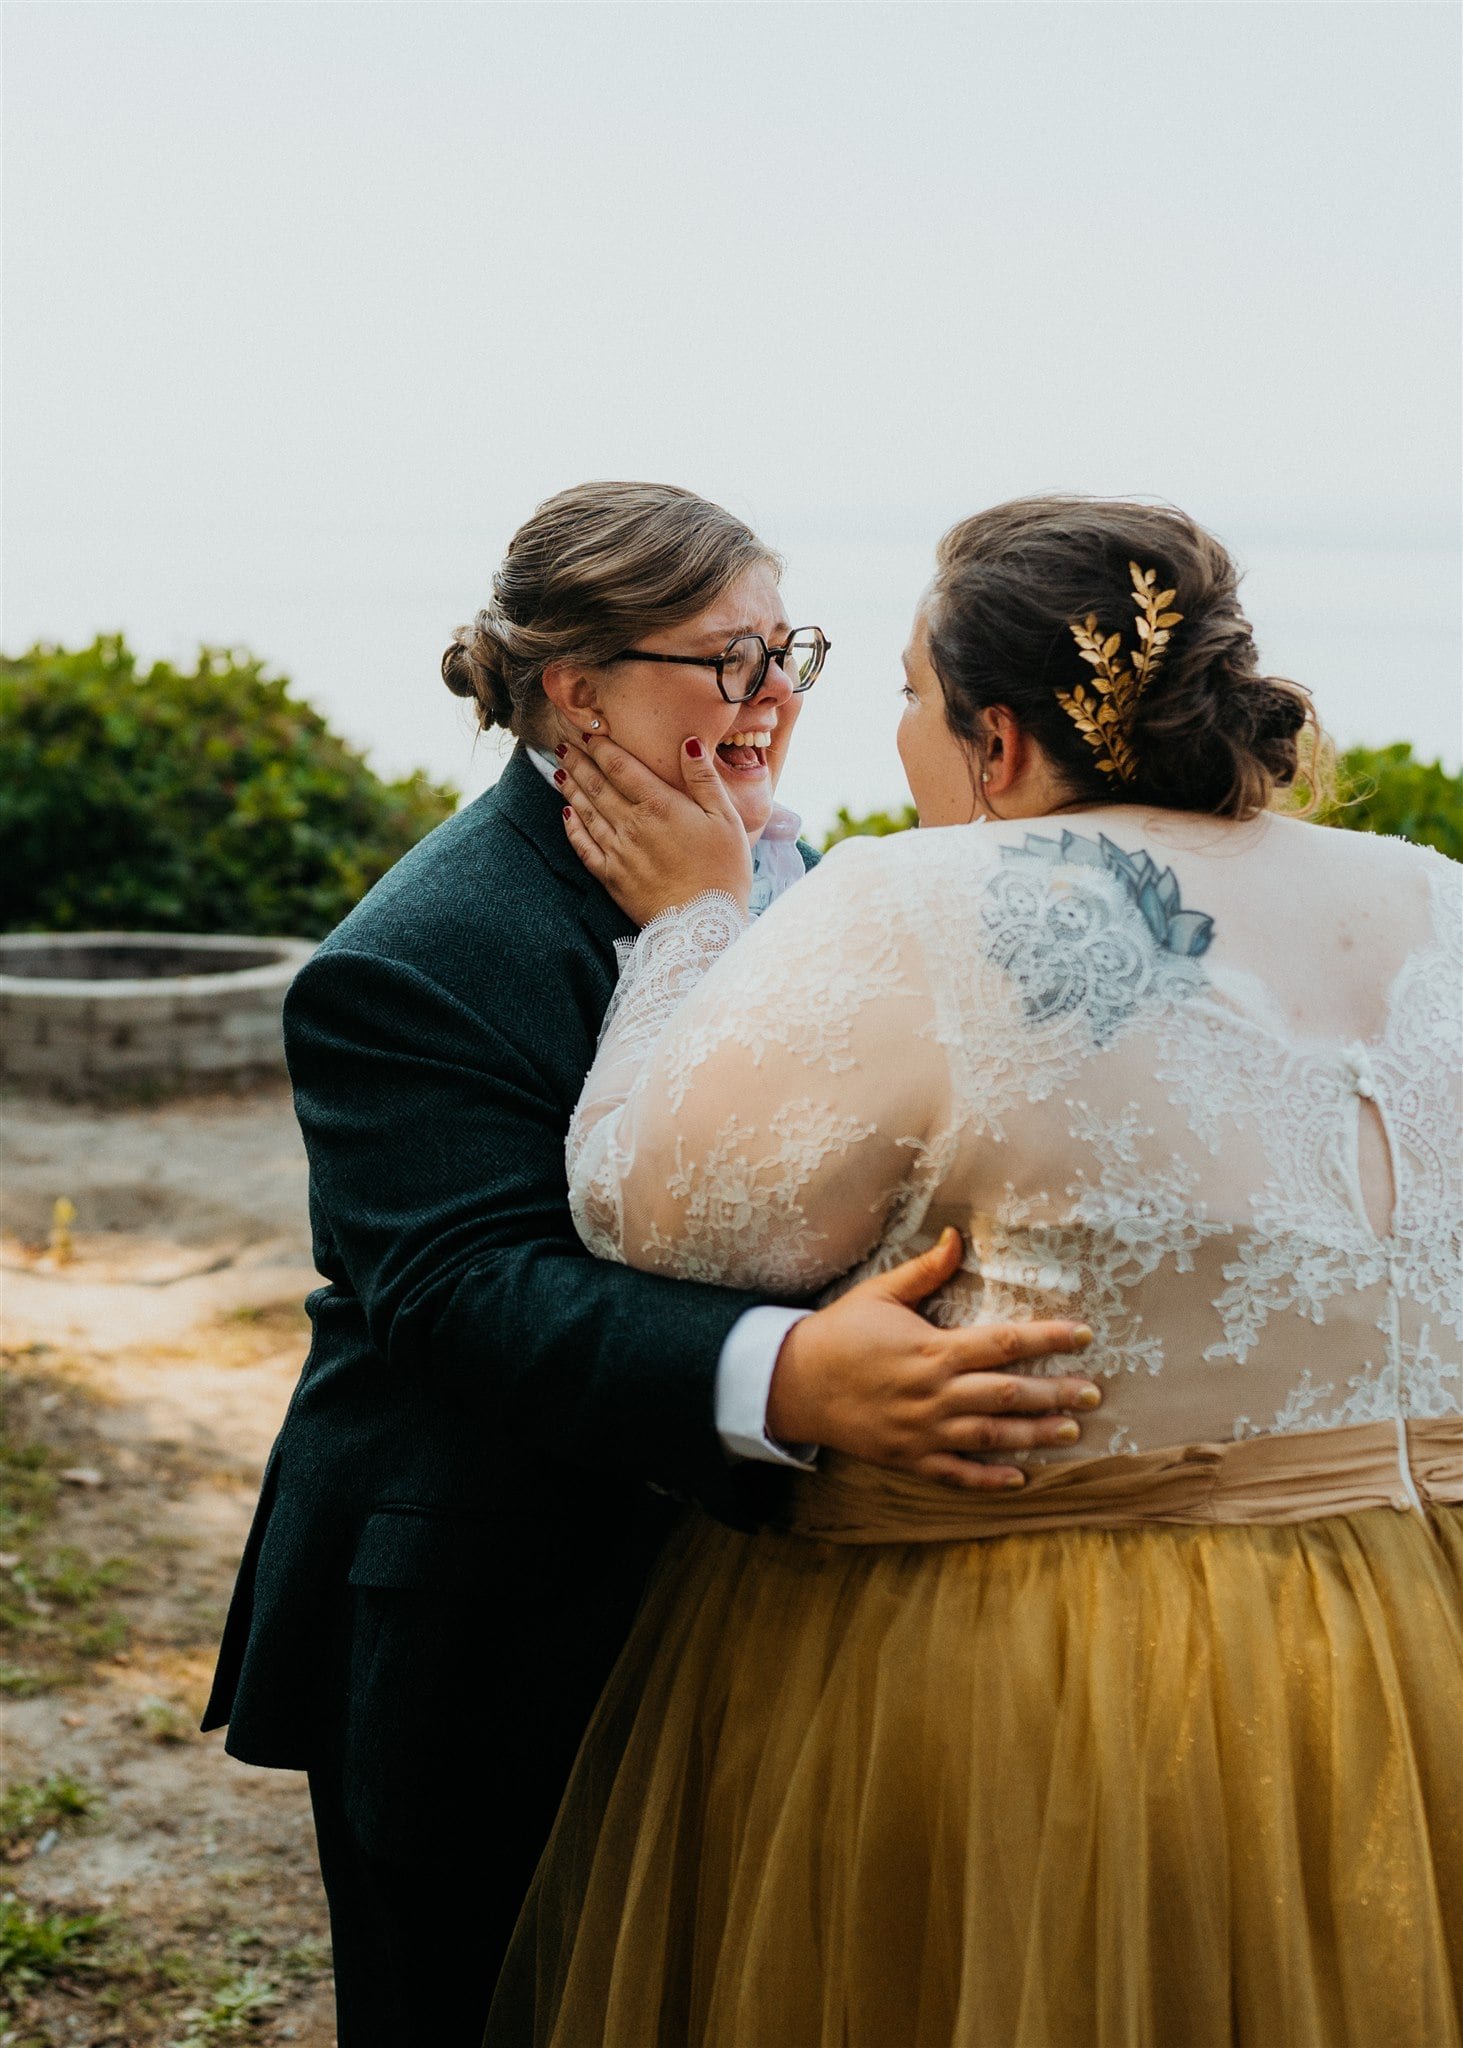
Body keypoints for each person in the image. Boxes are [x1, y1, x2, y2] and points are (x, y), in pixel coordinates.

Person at [490, 494, 1463, 2048]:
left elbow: (656, 1219)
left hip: (1034, 1650)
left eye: (902, 694)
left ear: (994, 740)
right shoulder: (1431, 893)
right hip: (1405, 1631)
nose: (887, 732)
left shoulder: (918, 900)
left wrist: (692, 928)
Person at [201, 482, 1101, 2048]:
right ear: (575, 688)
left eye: (792, 652)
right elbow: (465, 1295)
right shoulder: (414, 958)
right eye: (729, 662)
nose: (780, 701)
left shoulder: (796, 871)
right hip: (491, 1604)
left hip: (750, 1598)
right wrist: (790, 1375)